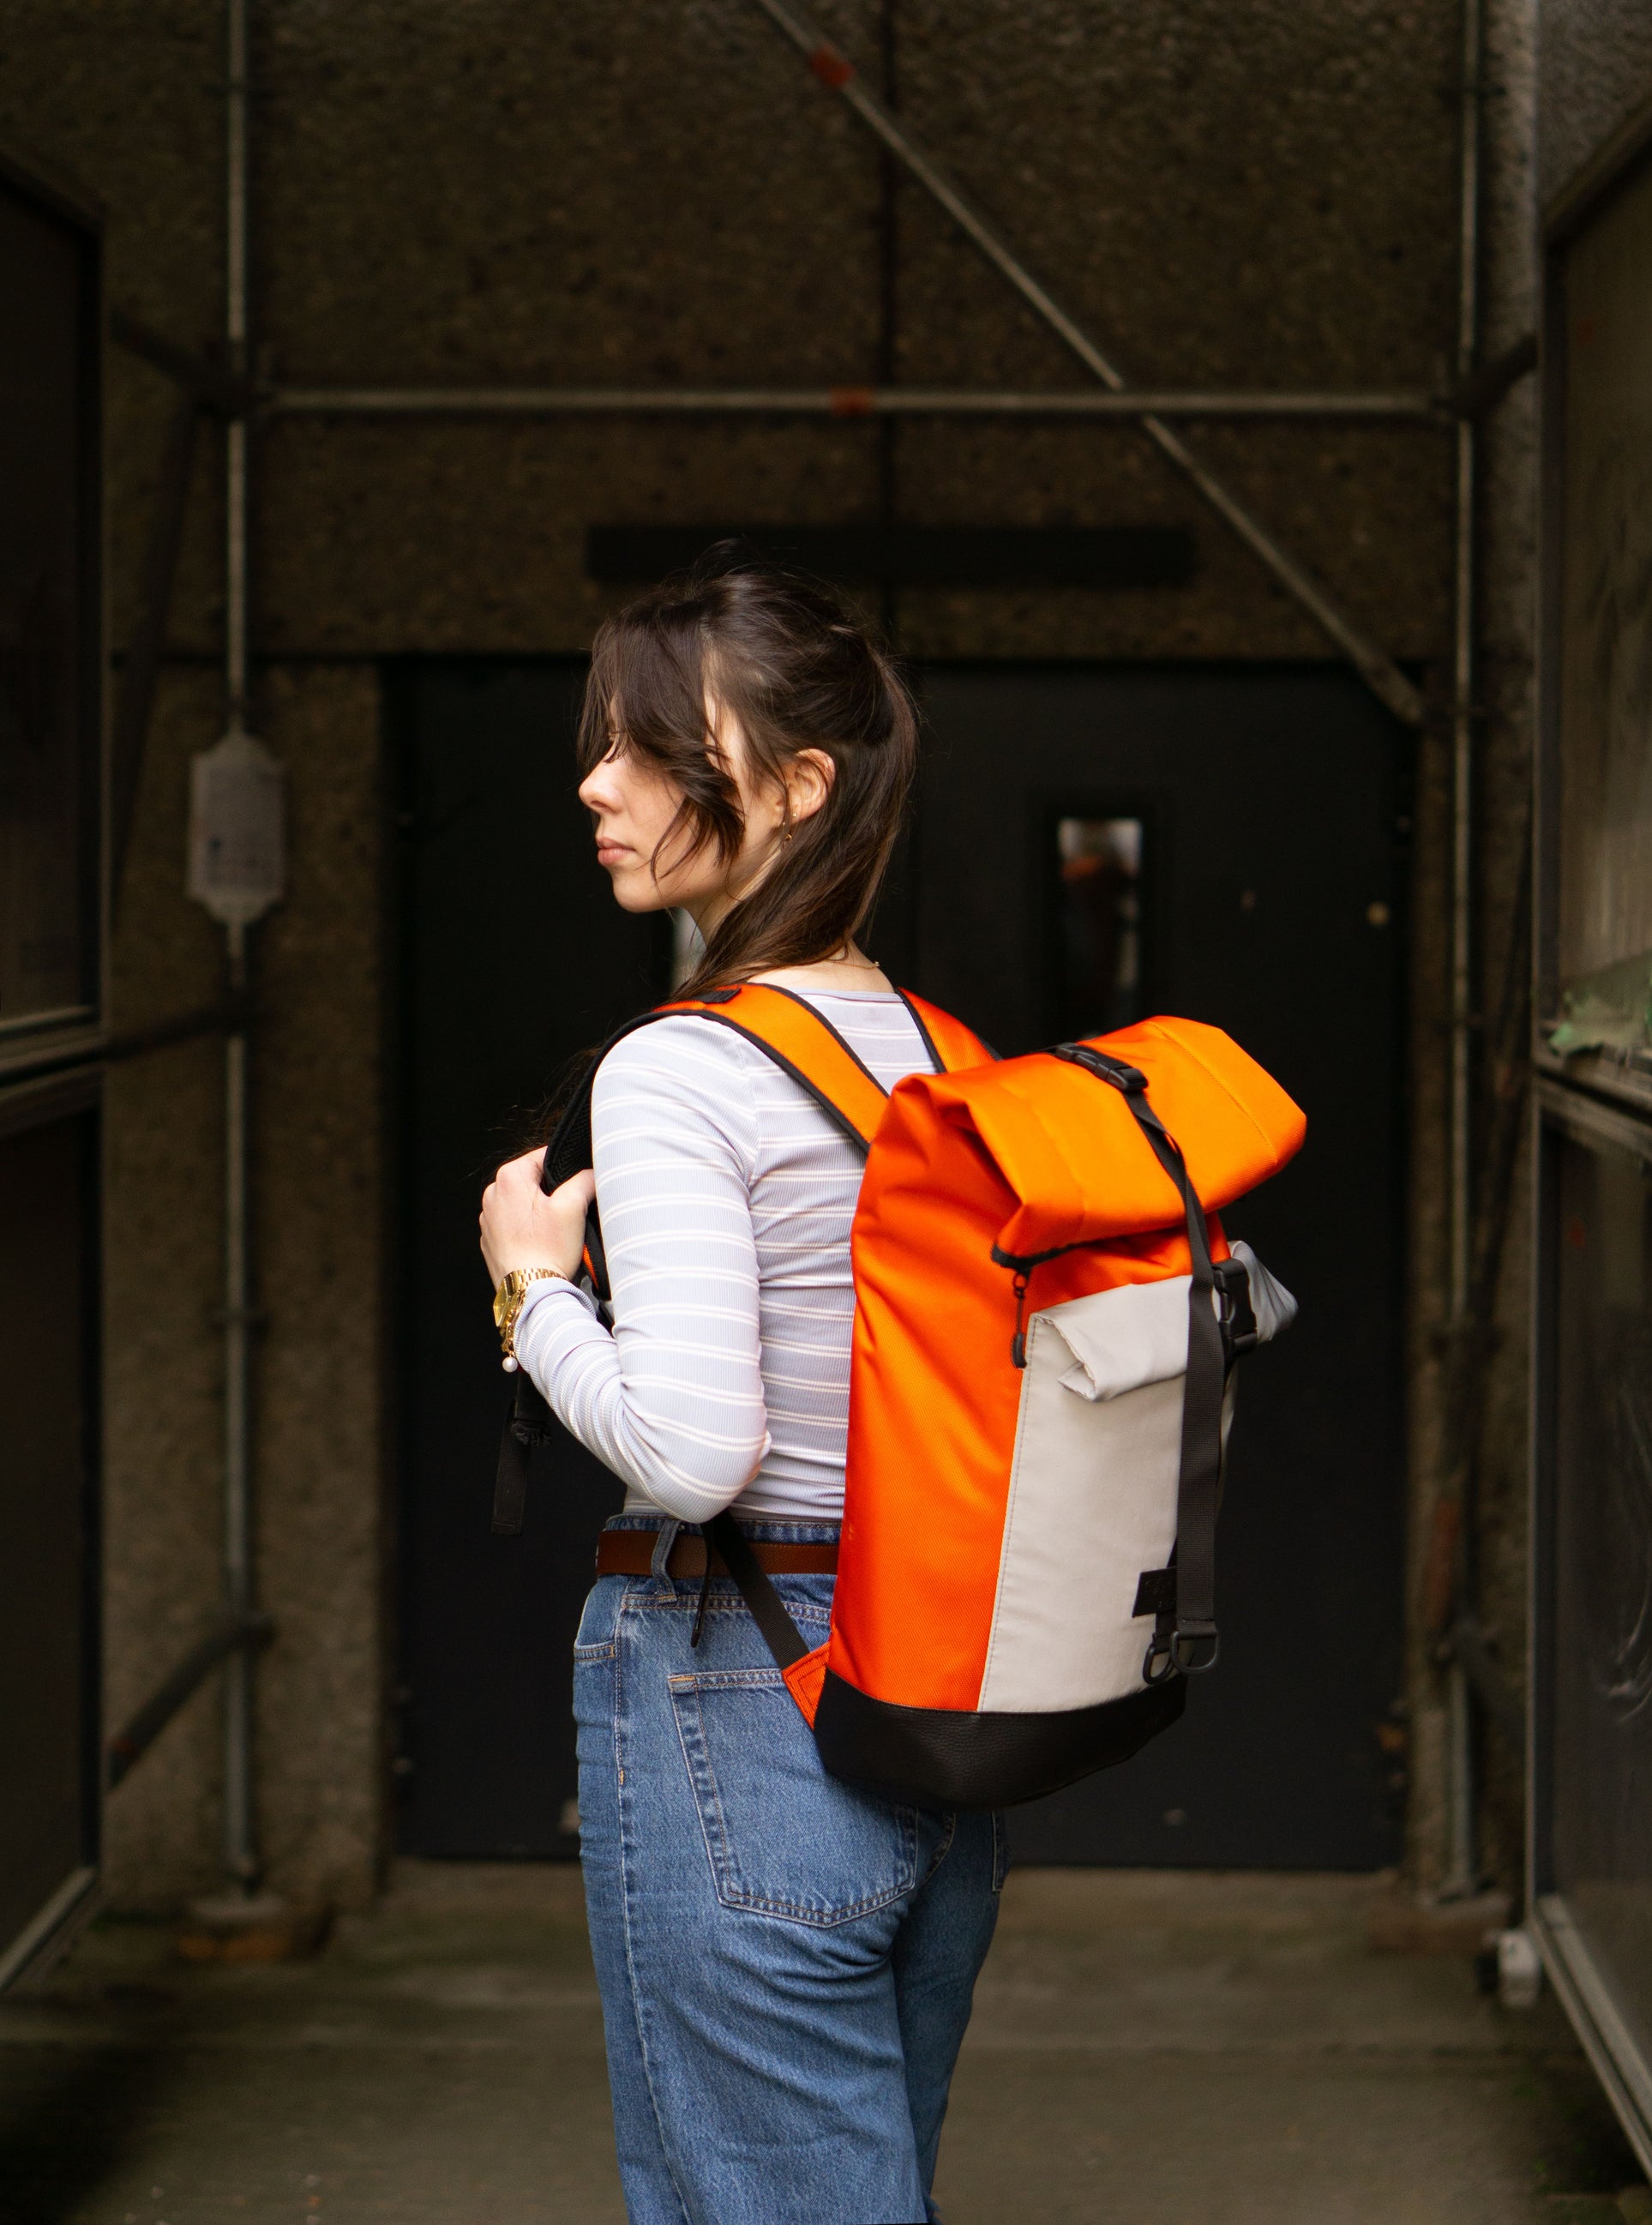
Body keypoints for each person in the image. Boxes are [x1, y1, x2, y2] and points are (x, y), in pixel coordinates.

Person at [477, 557, 1006, 2225]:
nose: (597, 783)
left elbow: (696, 1450)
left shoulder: (682, 1063)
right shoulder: (939, 1053)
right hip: (936, 1702)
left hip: (742, 1684)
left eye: (648, 748)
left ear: (797, 785)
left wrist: (532, 1291)